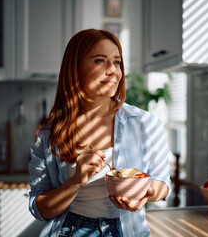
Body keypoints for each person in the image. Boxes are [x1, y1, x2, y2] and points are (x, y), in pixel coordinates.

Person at [28, 29, 172, 237]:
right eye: (100, 61)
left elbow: (161, 182)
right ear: (75, 68)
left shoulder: (145, 123)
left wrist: (143, 194)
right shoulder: (50, 133)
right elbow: (40, 208)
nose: (113, 70)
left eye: (117, 62)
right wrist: (75, 181)